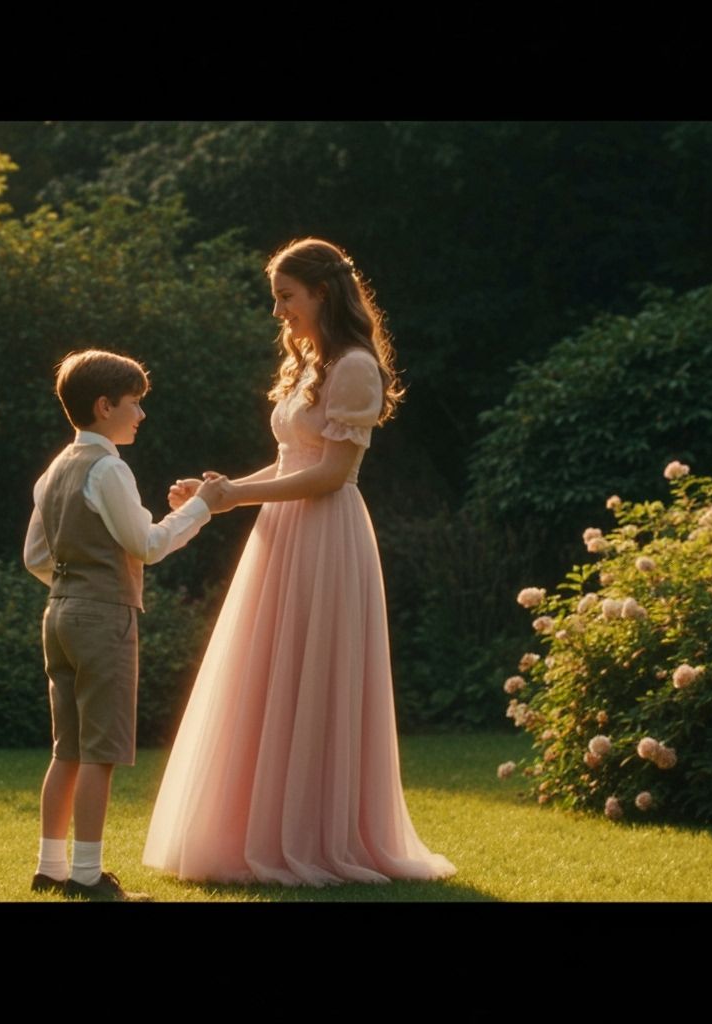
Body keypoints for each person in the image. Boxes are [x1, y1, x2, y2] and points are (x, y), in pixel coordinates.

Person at [143, 239, 457, 886]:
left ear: (321, 292)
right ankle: (253, 830)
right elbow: (292, 463)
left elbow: (332, 473)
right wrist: (219, 494)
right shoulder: (309, 365)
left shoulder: (353, 368)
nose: (279, 310)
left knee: (316, 677)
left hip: (326, 538)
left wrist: (238, 495)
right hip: (282, 534)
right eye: (276, 298)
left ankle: (321, 836)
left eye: (287, 296)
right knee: (268, 675)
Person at [24, 348, 226, 901]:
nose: (140, 414)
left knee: (67, 748)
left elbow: (35, 557)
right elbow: (148, 545)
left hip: (59, 613)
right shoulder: (109, 467)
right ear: (104, 404)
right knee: (100, 751)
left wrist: (74, 585)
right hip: (103, 616)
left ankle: (50, 866)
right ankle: (87, 876)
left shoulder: (55, 470)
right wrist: (202, 507)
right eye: (134, 403)